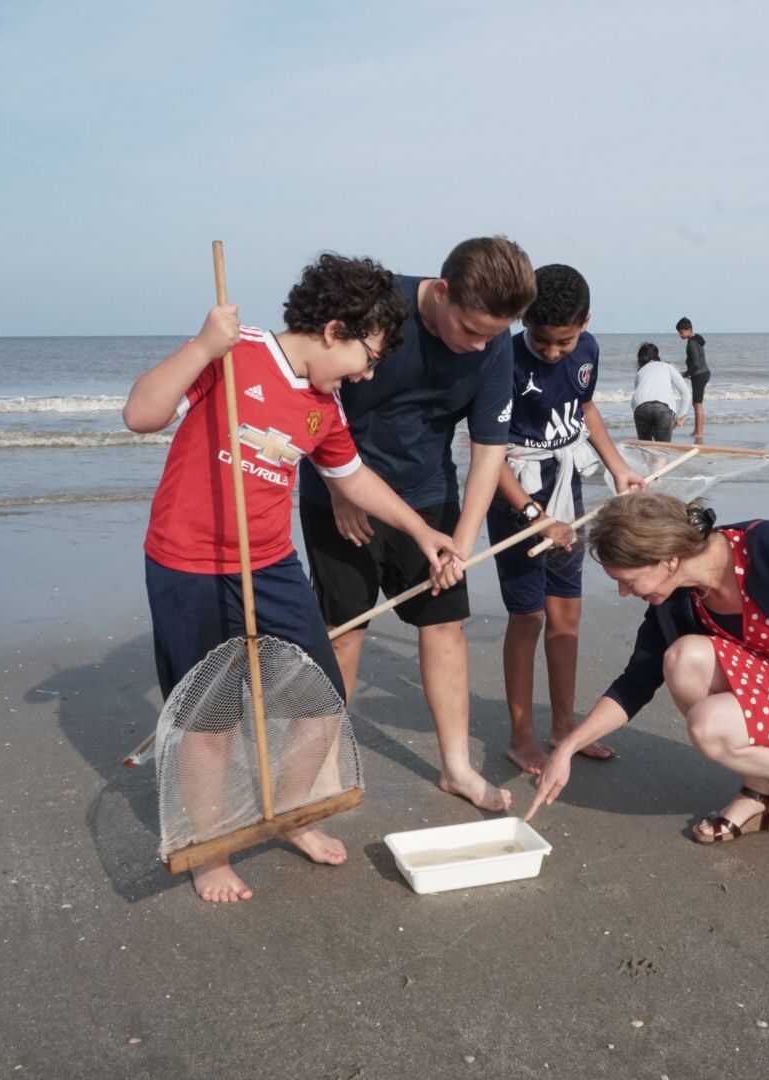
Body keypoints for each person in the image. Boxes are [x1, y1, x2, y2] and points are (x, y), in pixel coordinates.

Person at [124, 253, 462, 903]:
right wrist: (200, 347)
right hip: (189, 563)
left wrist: (422, 532)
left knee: (322, 699)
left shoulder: (324, 407)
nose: (367, 372)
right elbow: (141, 414)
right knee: (210, 719)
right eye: (368, 356)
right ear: (335, 329)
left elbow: (351, 478)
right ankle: (209, 850)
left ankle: (291, 812)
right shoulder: (234, 352)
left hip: (271, 564)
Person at [526, 491, 769, 861]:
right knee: (683, 657)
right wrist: (567, 749)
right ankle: (763, 793)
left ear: (669, 559)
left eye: (628, 580)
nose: (623, 593)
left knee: (709, 724)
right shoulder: (679, 597)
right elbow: (636, 681)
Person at [298, 236, 536, 813]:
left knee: (445, 624)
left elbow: (487, 451)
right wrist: (338, 485)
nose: (479, 345)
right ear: (443, 292)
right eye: (471, 330)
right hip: (339, 491)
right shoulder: (378, 307)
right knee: (345, 631)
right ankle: (321, 765)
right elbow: (312, 392)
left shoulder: (494, 342)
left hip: (427, 496)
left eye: (492, 335)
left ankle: (456, 767)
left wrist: (460, 540)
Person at [485, 264, 646, 774]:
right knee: (528, 616)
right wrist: (534, 516)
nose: (553, 351)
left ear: (585, 323)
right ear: (522, 322)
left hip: (566, 487)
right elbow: (486, 455)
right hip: (516, 490)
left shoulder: (589, 350)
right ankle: (521, 734)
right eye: (541, 339)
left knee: (566, 615)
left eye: (564, 341)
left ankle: (562, 727)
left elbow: (586, 409)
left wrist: (619, 467)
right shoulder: (502, 362)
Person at [631, 341, 690, 441]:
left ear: (640, 358)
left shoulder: (640, 372)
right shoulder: (667, 366)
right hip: (663, 408)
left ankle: (649, 457)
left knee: (646, 448)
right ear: (657, 355)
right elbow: (685, 392)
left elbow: (637, 397)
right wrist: (681, 416)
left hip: (640, 408)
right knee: (663, 449)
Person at [675, 317, 710, 443]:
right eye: (679, 332)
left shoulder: (692, 343)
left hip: (700, 374)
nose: (680, 334)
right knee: (696, 403)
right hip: (703, 373)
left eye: (681, 332)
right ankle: (697, 430)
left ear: (689, 330)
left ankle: (699, 432)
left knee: (697, 404)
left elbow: (695, 363)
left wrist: (685, 374)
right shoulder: (697, 339)